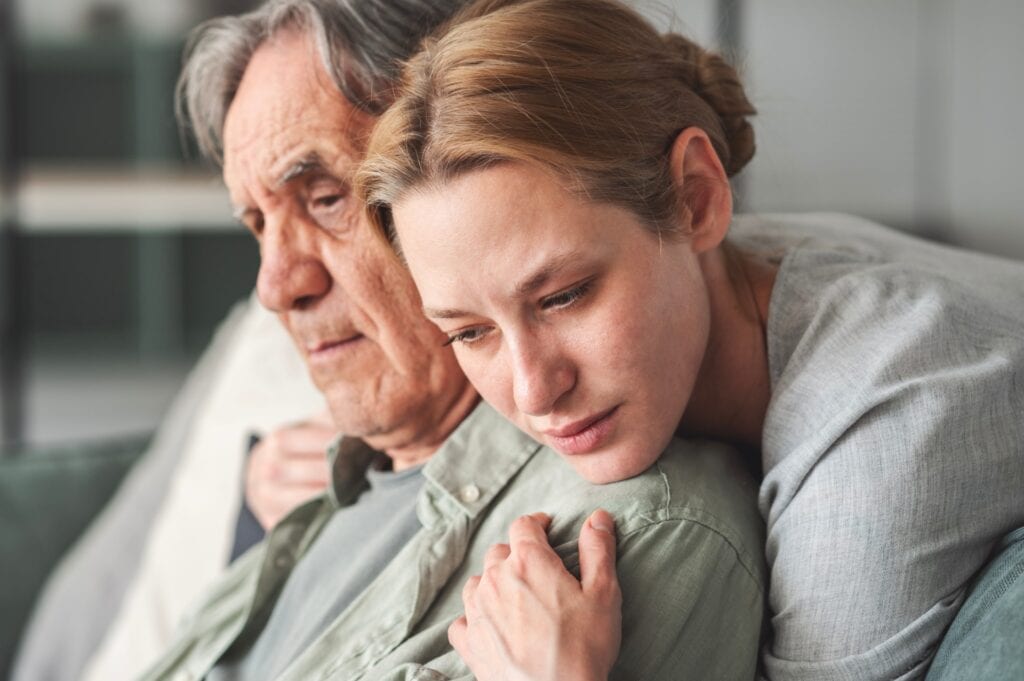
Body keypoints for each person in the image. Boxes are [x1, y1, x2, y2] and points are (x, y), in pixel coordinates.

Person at [357, 0, 1024, 678]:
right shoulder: (723, 270)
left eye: (564, 295)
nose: (534, 389)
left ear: (698, 198)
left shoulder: (878, 450)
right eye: (470, 332)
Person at [138, 0, 767, 679]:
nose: (275, 285)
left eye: (325, 198)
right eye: (258, 223)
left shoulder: (614, 541)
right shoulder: (321, 480)